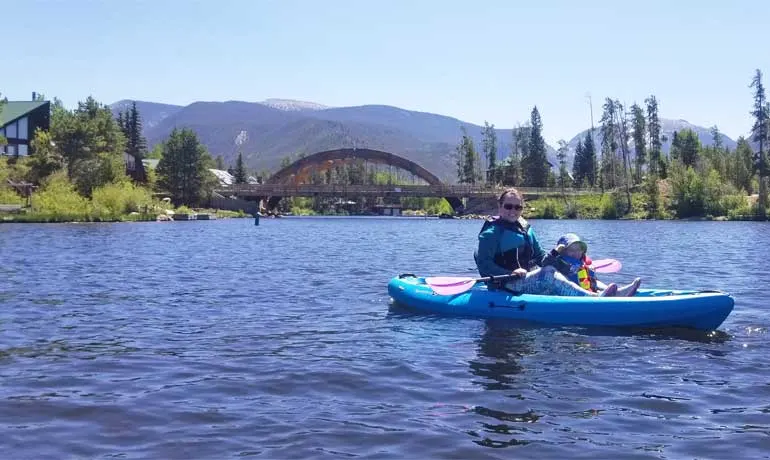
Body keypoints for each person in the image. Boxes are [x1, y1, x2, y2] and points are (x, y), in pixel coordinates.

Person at [474, 187, 618, 297]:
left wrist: (557, 257)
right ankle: (592, 298)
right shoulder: (491, 234)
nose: (513, 211)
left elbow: (541, 258)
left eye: (518, 207)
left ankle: (608, 291)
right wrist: (511, 272)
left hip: (526, 278)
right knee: (548, 273)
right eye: (508, 206)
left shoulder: (525, 229)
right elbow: (484, 265)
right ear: (500, 206)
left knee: (569, 268)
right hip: (505, 283)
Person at [542, 233, 641, 297]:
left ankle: (616, 292)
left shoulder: (583, 263)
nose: (576, 253)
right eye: (571, 250)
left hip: (587, 288)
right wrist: (555, 252)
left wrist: (591, 272)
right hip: (568, 292)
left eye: (578, 250)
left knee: (594, 280)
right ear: (563, 252)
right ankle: (599, 295)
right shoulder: (558, 261)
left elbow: (593, 281)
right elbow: (545, 264)